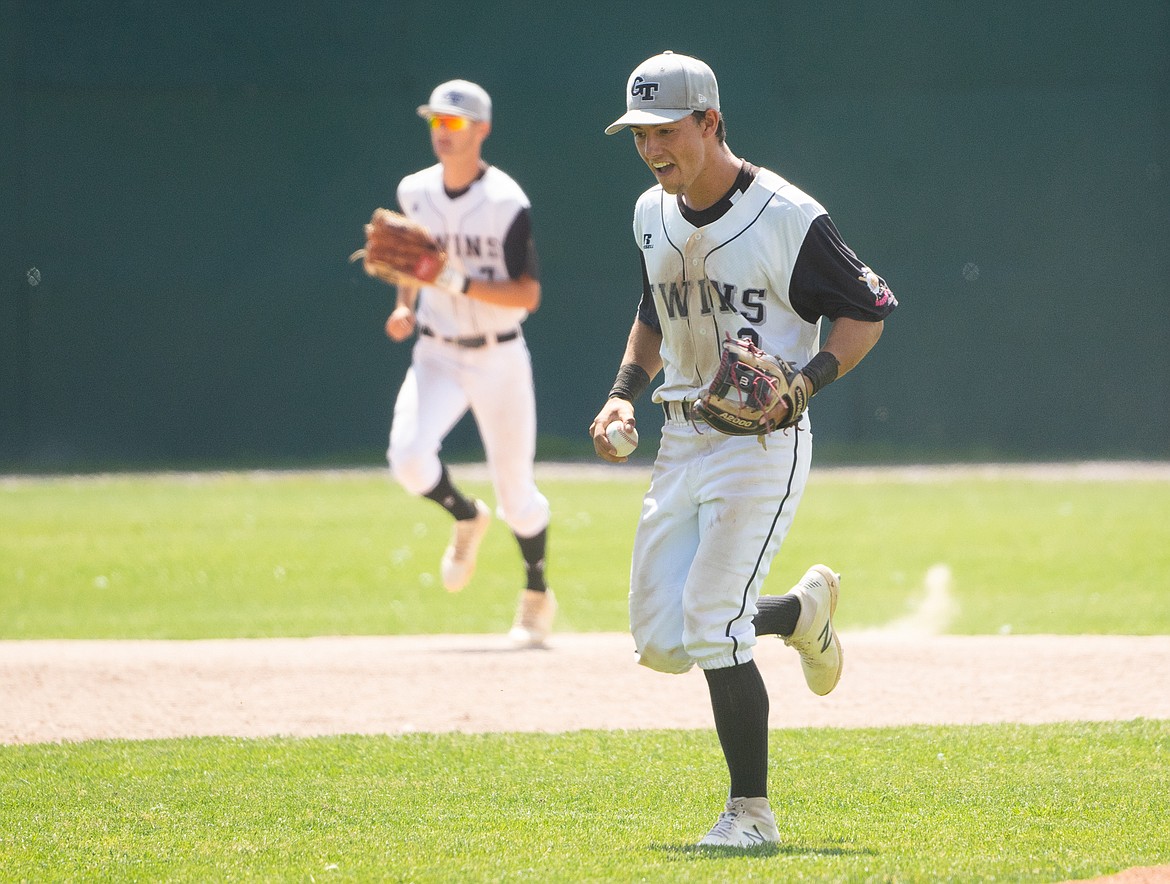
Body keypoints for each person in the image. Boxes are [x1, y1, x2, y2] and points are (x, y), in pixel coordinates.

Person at [590, 51, 897, 847]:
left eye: (667, 131)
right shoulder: (650, 213)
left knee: (712, 620)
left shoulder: (786, 215)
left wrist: (807, 381)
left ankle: (750, 817)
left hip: (760, 443)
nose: (654, 148)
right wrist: (623, 391)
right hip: (680, 439)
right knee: (663, 641)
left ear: (710, 122)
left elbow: (868, 310)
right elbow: (656, 310)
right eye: (640, 135)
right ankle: (799, 613)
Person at [381, 79, 554, 647]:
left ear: (482, 129)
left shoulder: (507, 203)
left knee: (518, 498)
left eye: (454, 123)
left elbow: (526, 296)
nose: (442, 132)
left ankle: (536, 593)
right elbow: (411, 262)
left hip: (499, 358)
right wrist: (404, 303)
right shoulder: (415, 191)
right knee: (407, 458)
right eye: (435, 121)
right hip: (436, 350)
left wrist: (456, 281)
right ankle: (464, 515)